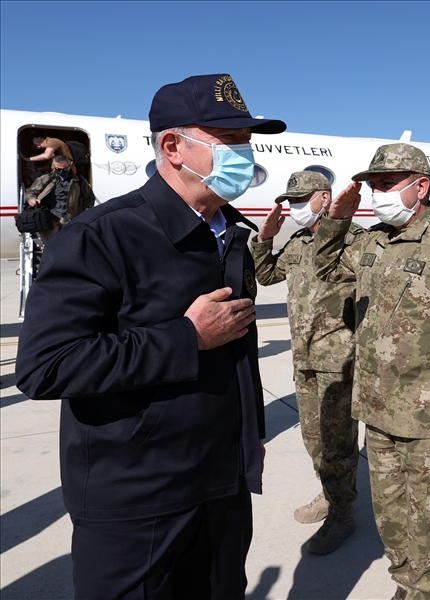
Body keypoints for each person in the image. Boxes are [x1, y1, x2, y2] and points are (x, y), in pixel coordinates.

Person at [15, 73, 286, 599]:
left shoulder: (228, 233)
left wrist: (249, 434)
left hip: (222, 485)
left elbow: (236, 354)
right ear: (172, 147)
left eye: (247, 144)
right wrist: (185, 338)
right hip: (138, 499)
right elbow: (45, 365)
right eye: (229, 144)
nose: (244, 157)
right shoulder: (100, 236)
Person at [315, 143, 430, 599]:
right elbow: (323, 266)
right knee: (392, 516)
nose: (376, 192)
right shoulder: (372, 241)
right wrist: (337, 221)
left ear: (420, 187)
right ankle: (407, 584)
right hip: (378, 412)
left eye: (385, 184)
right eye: (372, 184)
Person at [250, 170, 364, 555]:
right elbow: (265, 275)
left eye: (301, 200)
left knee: (338, 443)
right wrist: (264, 238)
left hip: (340, 361)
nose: (295, 208)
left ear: (325, 198)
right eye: (291, 202)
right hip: (305, 358)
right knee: (313, 439)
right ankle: (329, 494)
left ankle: (343, 515)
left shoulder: (356, 240)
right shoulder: (298, 242)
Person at [23, 154, 95, 243]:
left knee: (70, 246)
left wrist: (86, 212)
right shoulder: (46, 179)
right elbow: (30, 192)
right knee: (50, 246)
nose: (61, 171)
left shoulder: (79, 181)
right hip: (50, 219)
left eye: (64, 169)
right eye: (58, 169)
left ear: (69, 166)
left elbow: (89, 197)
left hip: (71, 219)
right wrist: (32, 200)